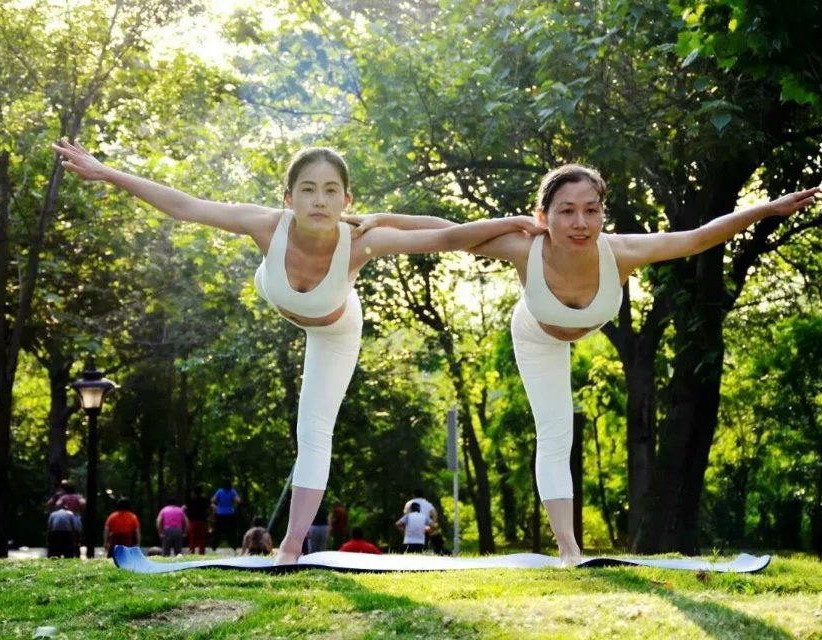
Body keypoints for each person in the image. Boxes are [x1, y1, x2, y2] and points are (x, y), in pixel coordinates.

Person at [53, 140, 541, 565]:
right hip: (281, 294)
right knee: (308, 430)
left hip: (335, 329)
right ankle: (287, 545)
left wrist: (518, 227)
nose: (319, 199)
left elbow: (448, 236)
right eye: (307, 189)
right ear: (288, 198)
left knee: (313, 433)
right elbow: (186, 205)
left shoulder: (361, 242)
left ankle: (289, 547)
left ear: (347, 199)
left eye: (331, 190)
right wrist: (107, 172)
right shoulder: (265, 225)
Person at [353, 164, 819, 565]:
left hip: (581, 325)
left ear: (602, 213)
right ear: (544, 216)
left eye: (591, 210)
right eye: (567, 210)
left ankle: (570, 549)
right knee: (556, 434)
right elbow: (445, 231)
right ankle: (569, 550)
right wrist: (379, 221)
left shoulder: (621, 252)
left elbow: (696, 239)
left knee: (567, 434)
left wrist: (766, 208)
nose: (581, 222)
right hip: (536, 334)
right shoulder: (522, 248)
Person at [211, 479, 242, 552]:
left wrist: (215, 507)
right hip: (230, 513)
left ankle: (214, 547)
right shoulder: (232, 491)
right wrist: (234, 504)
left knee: (218, 531)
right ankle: (234, 547)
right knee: (231, 531)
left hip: (220, 513)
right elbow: (238, 500)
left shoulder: (220, 491)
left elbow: (212, 500)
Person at [184, 485, 212, 555]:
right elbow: (214, 507)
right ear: (202, 492)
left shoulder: (190, 500)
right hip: (202, 521)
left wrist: (186, 517)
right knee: (202, 538)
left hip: (192, 521)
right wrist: (211, 516)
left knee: (192, 538)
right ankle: (201, 553)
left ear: (194, 492)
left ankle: (191, 552)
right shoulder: (205, 500)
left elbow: (183, 508)